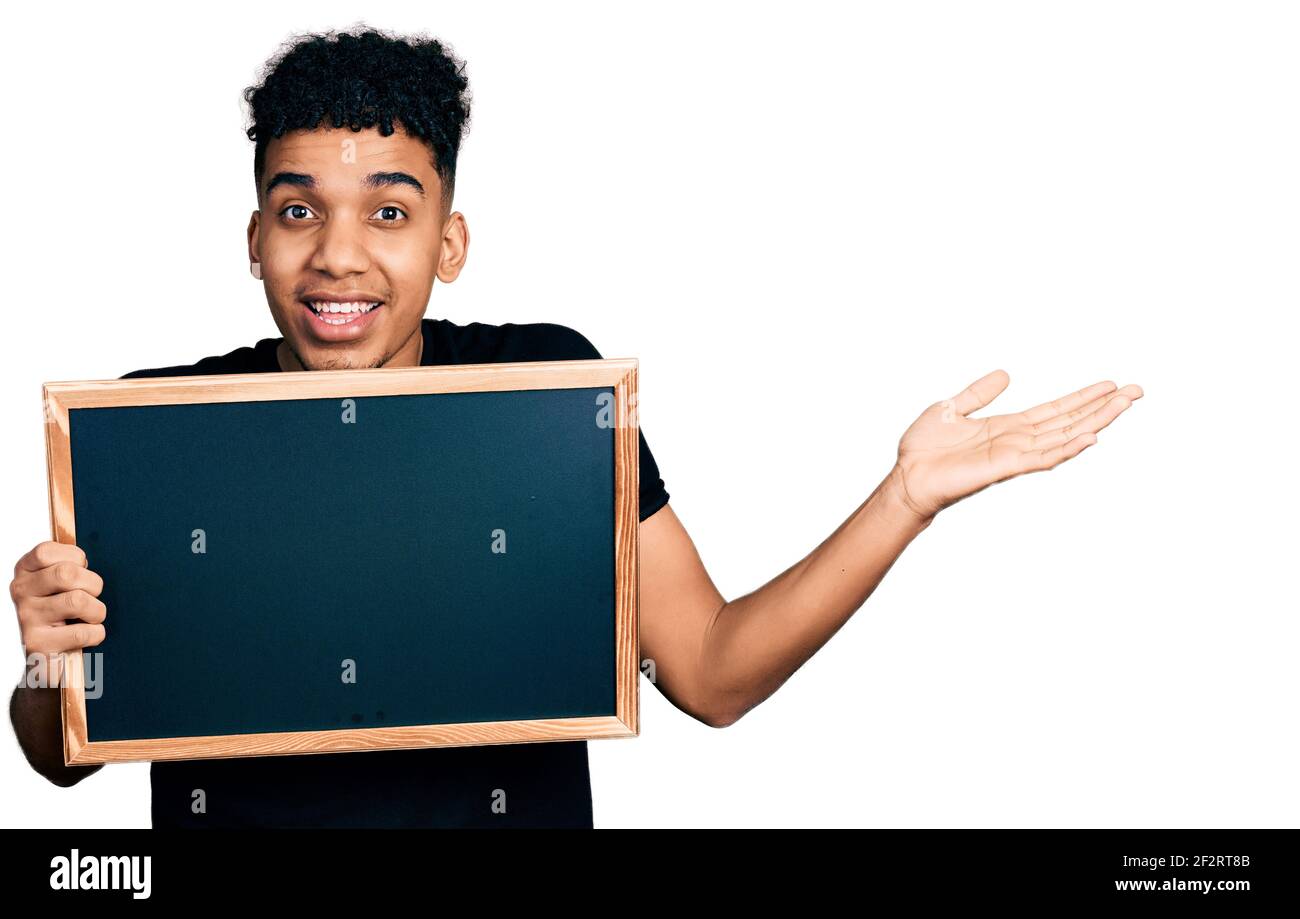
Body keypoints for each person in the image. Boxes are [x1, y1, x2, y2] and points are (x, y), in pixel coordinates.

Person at [8, 27, 1142, 827]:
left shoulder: (547, 391)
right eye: (297, 209)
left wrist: (904, 498)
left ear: (448, 244)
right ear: (254, 237)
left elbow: (711, 672)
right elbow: (64, 757)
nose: (338, 254)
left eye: (389, 211)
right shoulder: (155, 427)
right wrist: (44, 665)